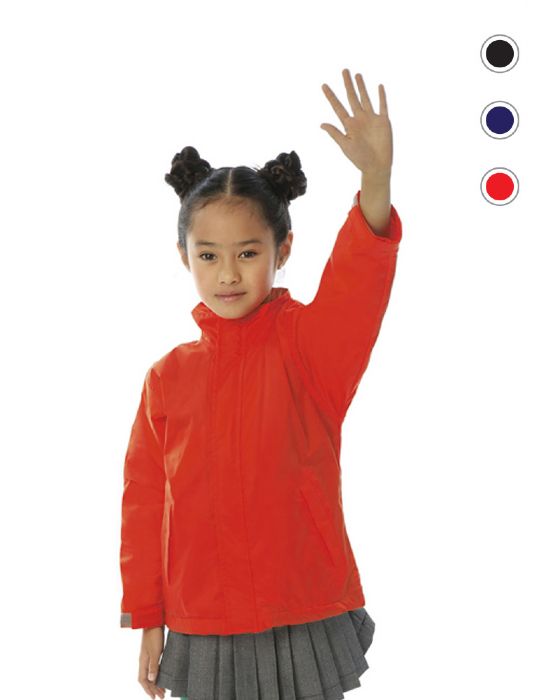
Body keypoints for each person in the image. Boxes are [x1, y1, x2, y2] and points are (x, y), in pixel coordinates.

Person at [119, 67, 403, 700]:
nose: (228, 273)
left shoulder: (309, 348)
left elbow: (358, 284)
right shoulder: (167, 377)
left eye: (248, 253)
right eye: (209, 255)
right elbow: (144, 502)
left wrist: (375, 181)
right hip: (202, 615)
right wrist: (147, 616)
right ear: (184, 256)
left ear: (283, 249)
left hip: (300, 603)